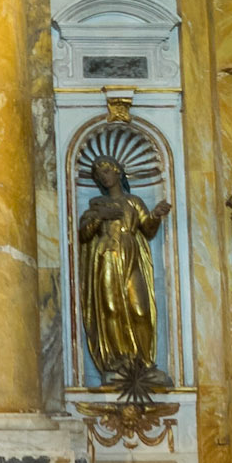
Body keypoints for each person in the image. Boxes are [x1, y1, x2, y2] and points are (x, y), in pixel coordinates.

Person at [76, 155, 170, 377]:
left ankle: (145, 362)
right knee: (110, 308)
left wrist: (155, 215)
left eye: (106, 172)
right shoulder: (96, 206)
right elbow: (84, 234)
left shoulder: (133, 202)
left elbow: (147, 229)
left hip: (130, 255)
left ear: (118, 171)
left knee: (140, 309)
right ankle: (118, 361)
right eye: (99, 175)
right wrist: (101, 217)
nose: (104, 177)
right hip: (106, 257)